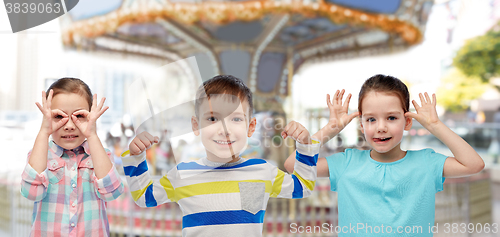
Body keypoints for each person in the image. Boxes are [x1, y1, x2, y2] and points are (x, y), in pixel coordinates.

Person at [285, 74, 485, 236]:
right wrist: (331, 128)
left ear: (407, 122)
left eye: (391, 117)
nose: (381, 127)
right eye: (371, 119)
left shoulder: (426, 163)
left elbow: (473, 164)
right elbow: (293, 165)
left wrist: (435, 126)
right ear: (361, 125)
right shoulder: (347, 162)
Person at [121, 75, 320, 236]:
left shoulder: (261, 171)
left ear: (250, 127)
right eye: (213, 118)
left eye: (235, 118)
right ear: (196, 125)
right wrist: (136, 157)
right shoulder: (182, 174)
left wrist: (304, 146)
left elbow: (302, 187)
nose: (224, 130)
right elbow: (144, 197)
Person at [21, 78, 124, 236]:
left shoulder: (101, 155)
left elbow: (112, 192)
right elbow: (31, 192)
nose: (69, 125)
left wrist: (92, 135)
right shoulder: (39, 155)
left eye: (79, 116)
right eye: (58, 117)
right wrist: (44, 132)